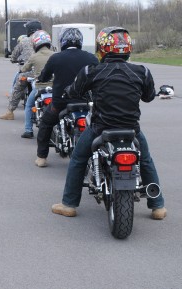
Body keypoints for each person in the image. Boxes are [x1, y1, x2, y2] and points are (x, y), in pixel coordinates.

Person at [51, 27, 167, 220]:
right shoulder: (142, 71)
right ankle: (157, 207)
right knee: (145, 160)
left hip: (101, 127)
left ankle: (69, 204)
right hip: (132, 129)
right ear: (127, 48)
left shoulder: (91, 71)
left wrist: (68, 92)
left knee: (78, 158)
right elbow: (148, 97)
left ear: (102, 48)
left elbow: (74, 91)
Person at [34, 28, 99, 167]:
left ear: (63, 41)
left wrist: (41, 78)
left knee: (45, 123)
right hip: (86, 102)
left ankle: (42, 157)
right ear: (80, 41)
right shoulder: (91, 57)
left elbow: (44, 76)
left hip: (61, 103)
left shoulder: (56, 57)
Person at [19, 30, 54, 139]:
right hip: (53, 88)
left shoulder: (34, 56)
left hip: (39, 87)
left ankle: (28, 130)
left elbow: (24, 68)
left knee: (29, 106)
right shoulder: (55, 55)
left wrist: (21, 69)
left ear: (36, 43)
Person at [0, 34, 34, 120]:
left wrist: (13, 59)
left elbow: (14, 54)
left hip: (29, 71)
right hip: (44, 71)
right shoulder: (46, 39)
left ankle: (10, 112)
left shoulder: (24, 41)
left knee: (17, 87)